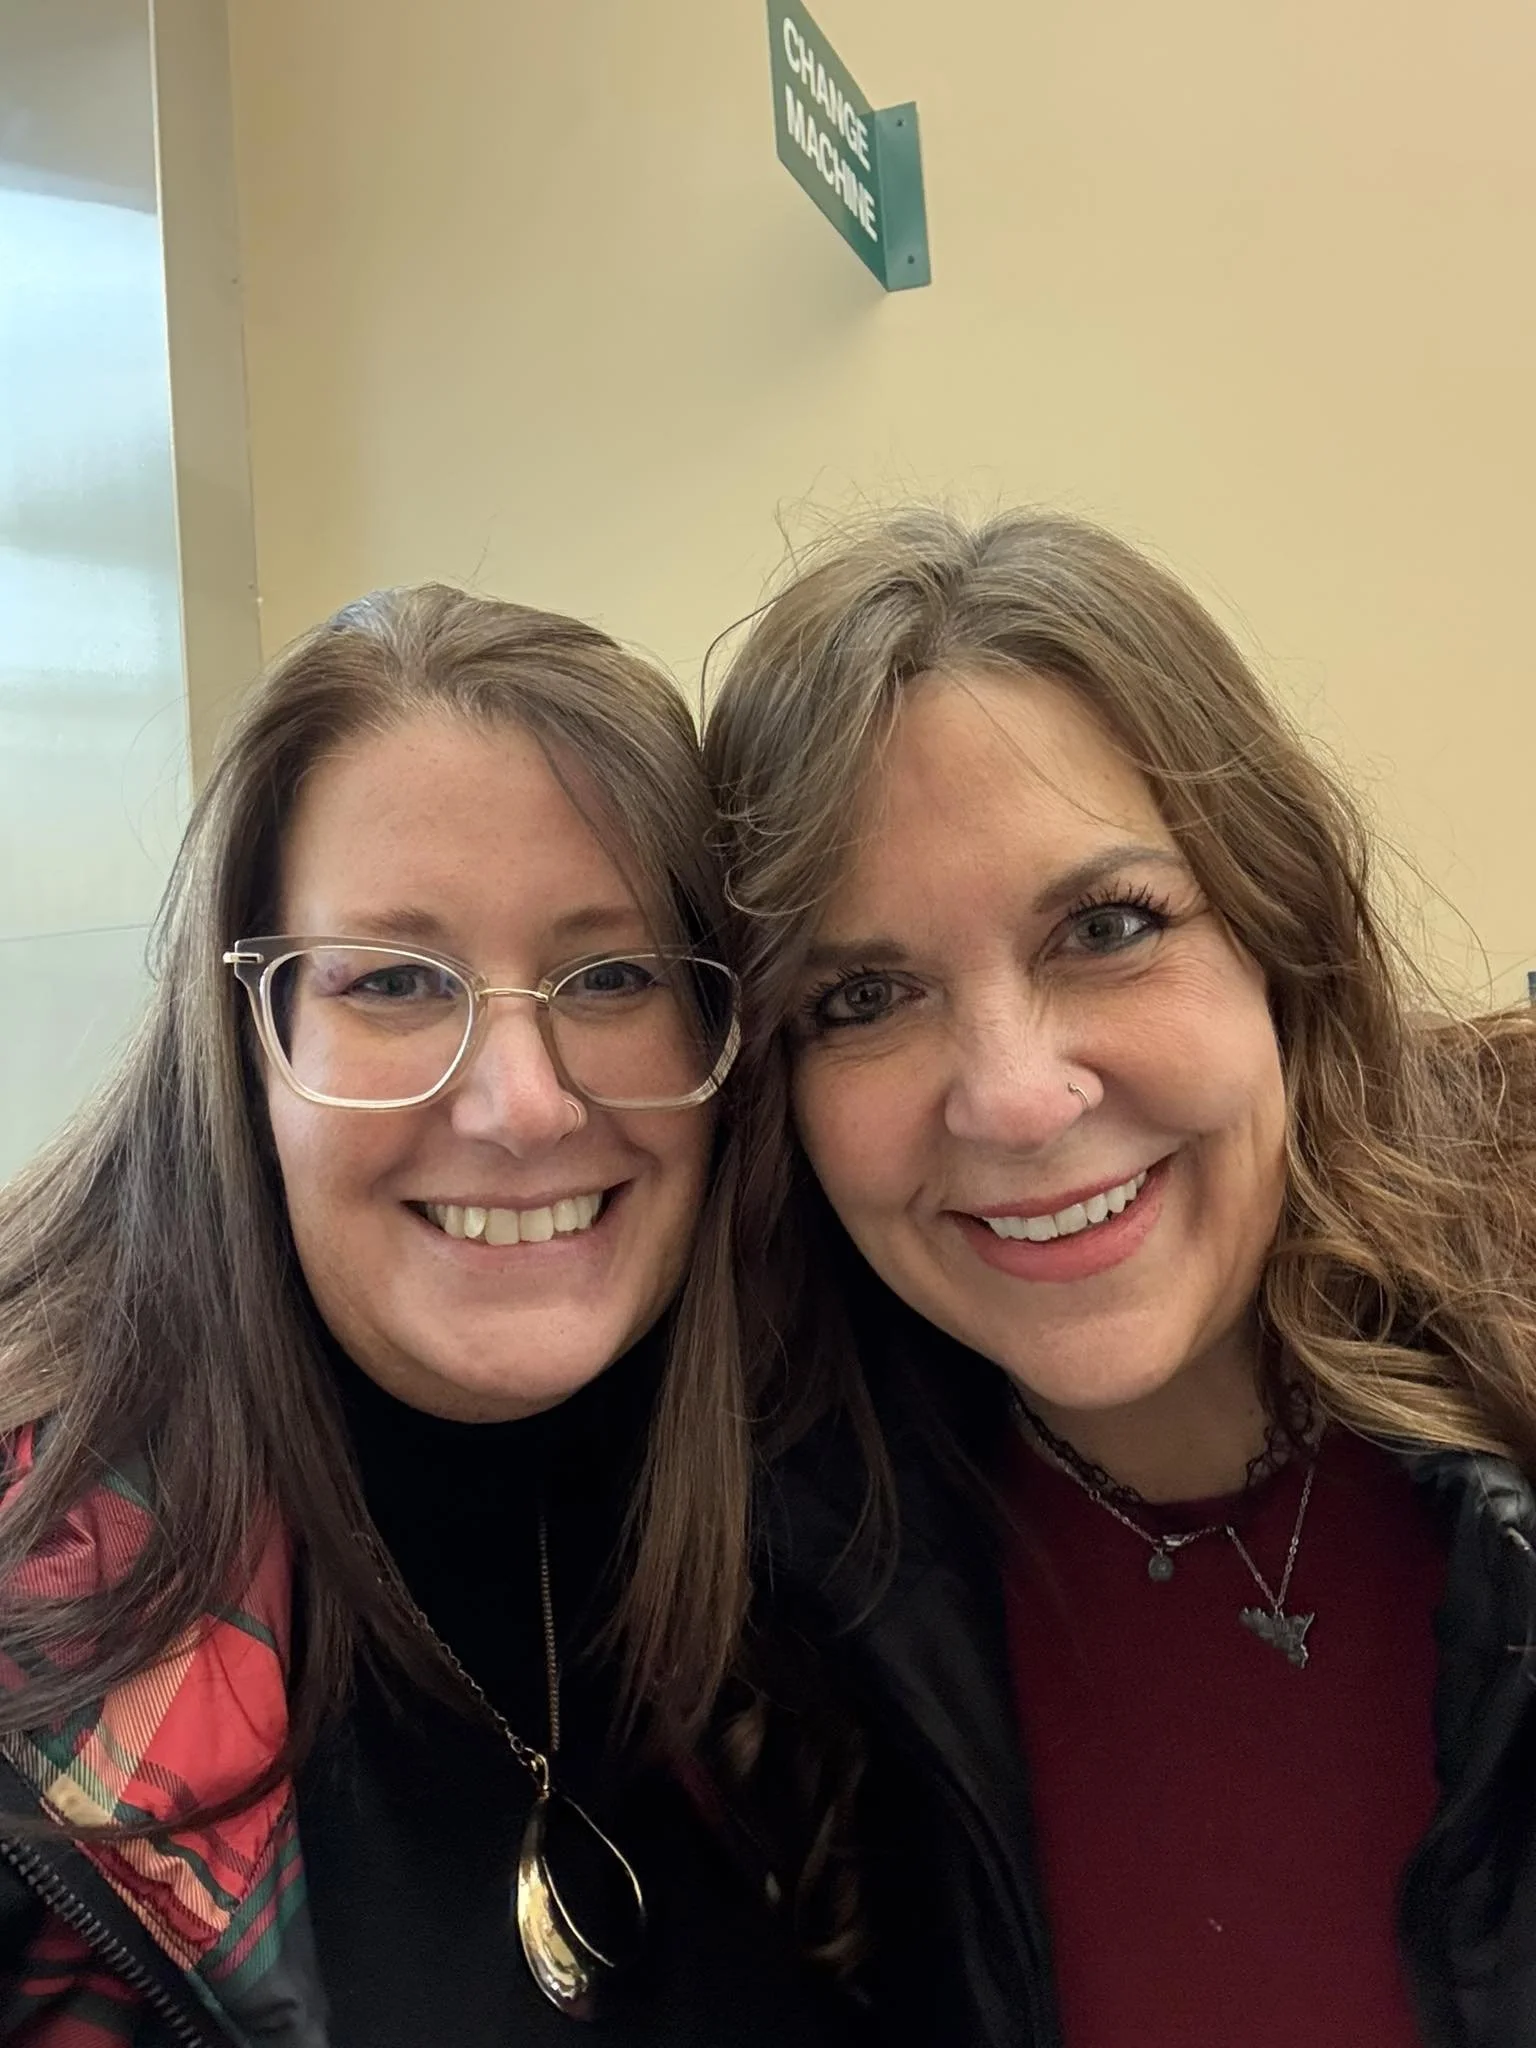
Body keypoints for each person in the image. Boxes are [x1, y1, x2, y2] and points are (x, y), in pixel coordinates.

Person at [704, 509, 1536, 2048]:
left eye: (1107, 928)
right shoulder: (777, 1641)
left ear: (1284, 941)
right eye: (866, 996)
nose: (1013, 1098)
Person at [0, 586, 851, 2047]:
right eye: (394, 980)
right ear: (247, 1045)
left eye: (611, 975)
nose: (521, 1102)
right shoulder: (42, 1653)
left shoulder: (814, 1515)